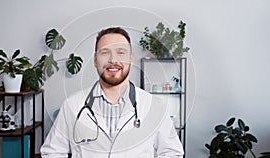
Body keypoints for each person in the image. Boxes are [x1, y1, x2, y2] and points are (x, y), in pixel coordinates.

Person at [40, 27, 184, 158]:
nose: (113, 60)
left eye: (121, 52)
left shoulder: (154, 106)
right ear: (95, 60)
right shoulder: (72, 105)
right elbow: (52, 152)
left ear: (130, 58)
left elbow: (172, 153)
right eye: (105, 53)